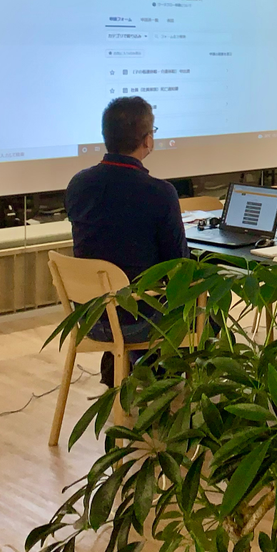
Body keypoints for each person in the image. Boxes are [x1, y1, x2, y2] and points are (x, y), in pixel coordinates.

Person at [65, 96, 188, 385]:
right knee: (210, 310)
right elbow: (178, 266)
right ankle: (164, 388)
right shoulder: (160, 193)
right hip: (137, 320)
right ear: (147, 140)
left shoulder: (78, 185)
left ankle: (122, 371)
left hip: (89, 316)